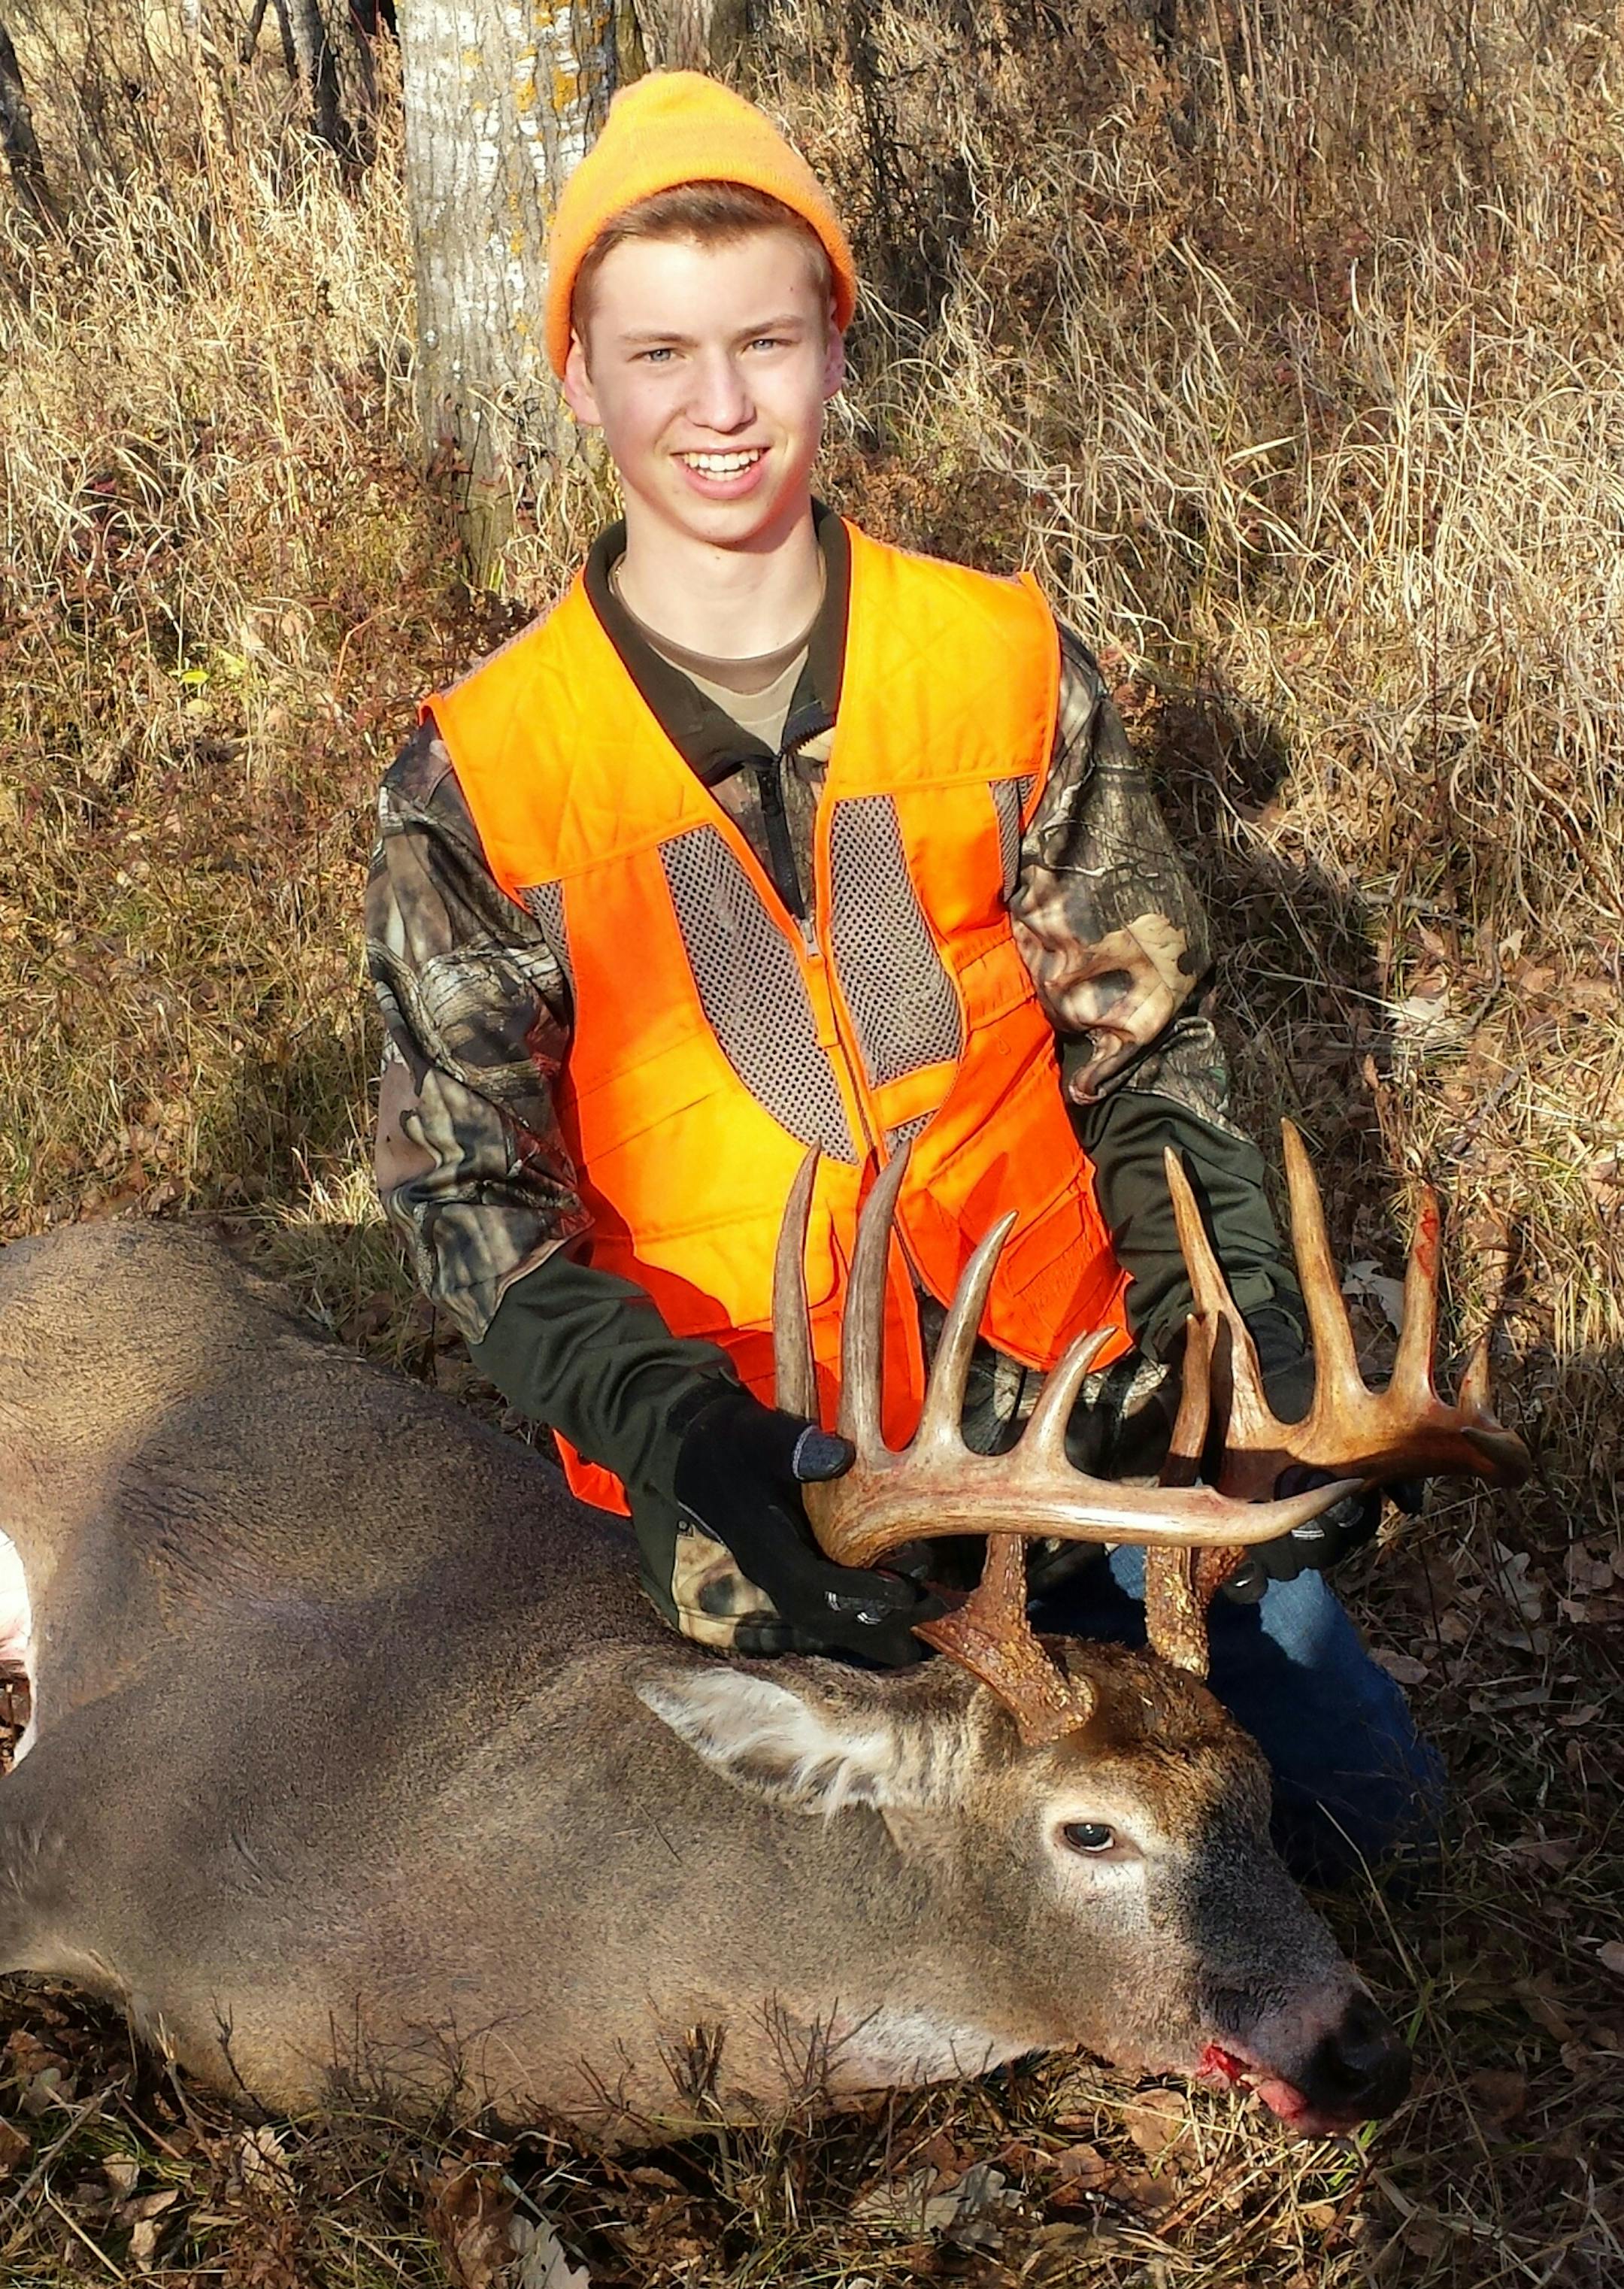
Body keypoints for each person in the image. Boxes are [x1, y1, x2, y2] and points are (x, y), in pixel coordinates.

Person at [365, 71, 1435, 1878]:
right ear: (576, 377)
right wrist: (705, 1451)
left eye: (766, 342)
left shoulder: (1005, 665)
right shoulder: (481, 775)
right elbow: (468, 1208)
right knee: (858, 1959)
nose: (720, 411)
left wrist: (1227, 1352)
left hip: (1094, 1431)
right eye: (659, 355)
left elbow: (1152, 1050)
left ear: (836, 347)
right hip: (790, 1496)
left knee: (1366, 1825)